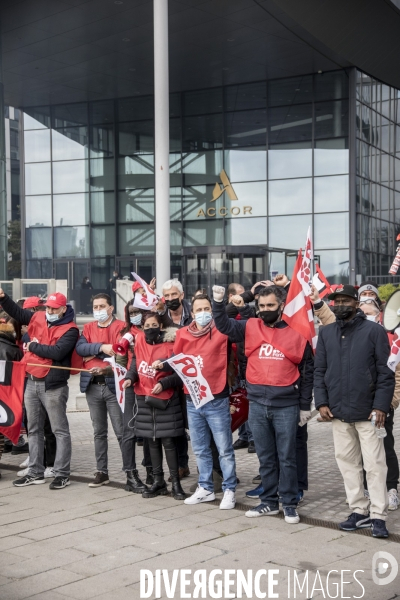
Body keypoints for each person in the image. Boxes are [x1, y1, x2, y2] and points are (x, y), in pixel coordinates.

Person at [212, 285, 314, 524]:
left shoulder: (297, 332)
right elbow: (224, 326)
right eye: (262, 306)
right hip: (257, 403)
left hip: (286, 404)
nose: (265, 310)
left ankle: (289, 503)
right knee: (266, 456)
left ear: (281, 306)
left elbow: (308, 371)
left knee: (287, 457)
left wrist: (304, 405)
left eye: (270, 305)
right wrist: (218, 303)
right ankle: (269, 501)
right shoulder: (251, 326)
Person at [314, 284, 395, 538]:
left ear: (356, 303)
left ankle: (378, 516)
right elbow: (319, 371)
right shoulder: (326, 333)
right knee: (348, 464)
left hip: (369, 413)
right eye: (336, 301)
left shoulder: (374, 331)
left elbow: (385, 373)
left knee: (375, 466)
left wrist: (381, 406)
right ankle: (359, 510)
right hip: (338, 412)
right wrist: (322, 403)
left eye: (346, 301)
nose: (340, 305)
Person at [162, 292, 238, 510]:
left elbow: (234, 317)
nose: (203, 313)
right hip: (192, 398)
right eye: (199, 310)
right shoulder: (183, 334)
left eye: (207, 309)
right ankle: (205, 487)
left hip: (217, 397)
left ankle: (229, 488)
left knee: (224, 449)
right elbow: (177, 362)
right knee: (200, 448)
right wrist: (162, 364)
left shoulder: (221, 330)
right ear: (191, 312)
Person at [0, 290, 79, 490]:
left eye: (54, 308)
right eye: (48, 307)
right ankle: (36, 472)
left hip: (53, 385)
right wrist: (3, 298)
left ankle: (62, 473)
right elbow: (17, 313)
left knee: (59, 430)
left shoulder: (71, 329)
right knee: (34, 429)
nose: (49, 311)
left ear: (63, 309)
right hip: (31, 380)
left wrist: (33, 346)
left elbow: (58, 352)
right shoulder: (38, 317)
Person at [123, 313, 186, 500]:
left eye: (154, 324)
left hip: (165, 399)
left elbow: (179, 372)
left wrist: (164, 383)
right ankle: (158, 481)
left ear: (160, 326)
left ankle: (175, 483)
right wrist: (129, 377)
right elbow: (135, 363)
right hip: (144, 398)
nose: (150, 328)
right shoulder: (139, 340)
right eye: (146, 325)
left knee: (168, 441)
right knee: (151, 440)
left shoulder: (171, 343)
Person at [75, 293, 131, 489]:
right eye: (95, 306)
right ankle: (101, 472)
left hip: (113, 385)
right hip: (92, 385)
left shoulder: (122, 327)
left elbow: (119, 351)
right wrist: (102, 347)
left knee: (121, 432)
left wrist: (94, 354)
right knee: (99, 432)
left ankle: (129, 472)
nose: (98, 310)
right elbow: (81, 349)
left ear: (111, 308)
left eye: (102, 306)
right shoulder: (89, 327)